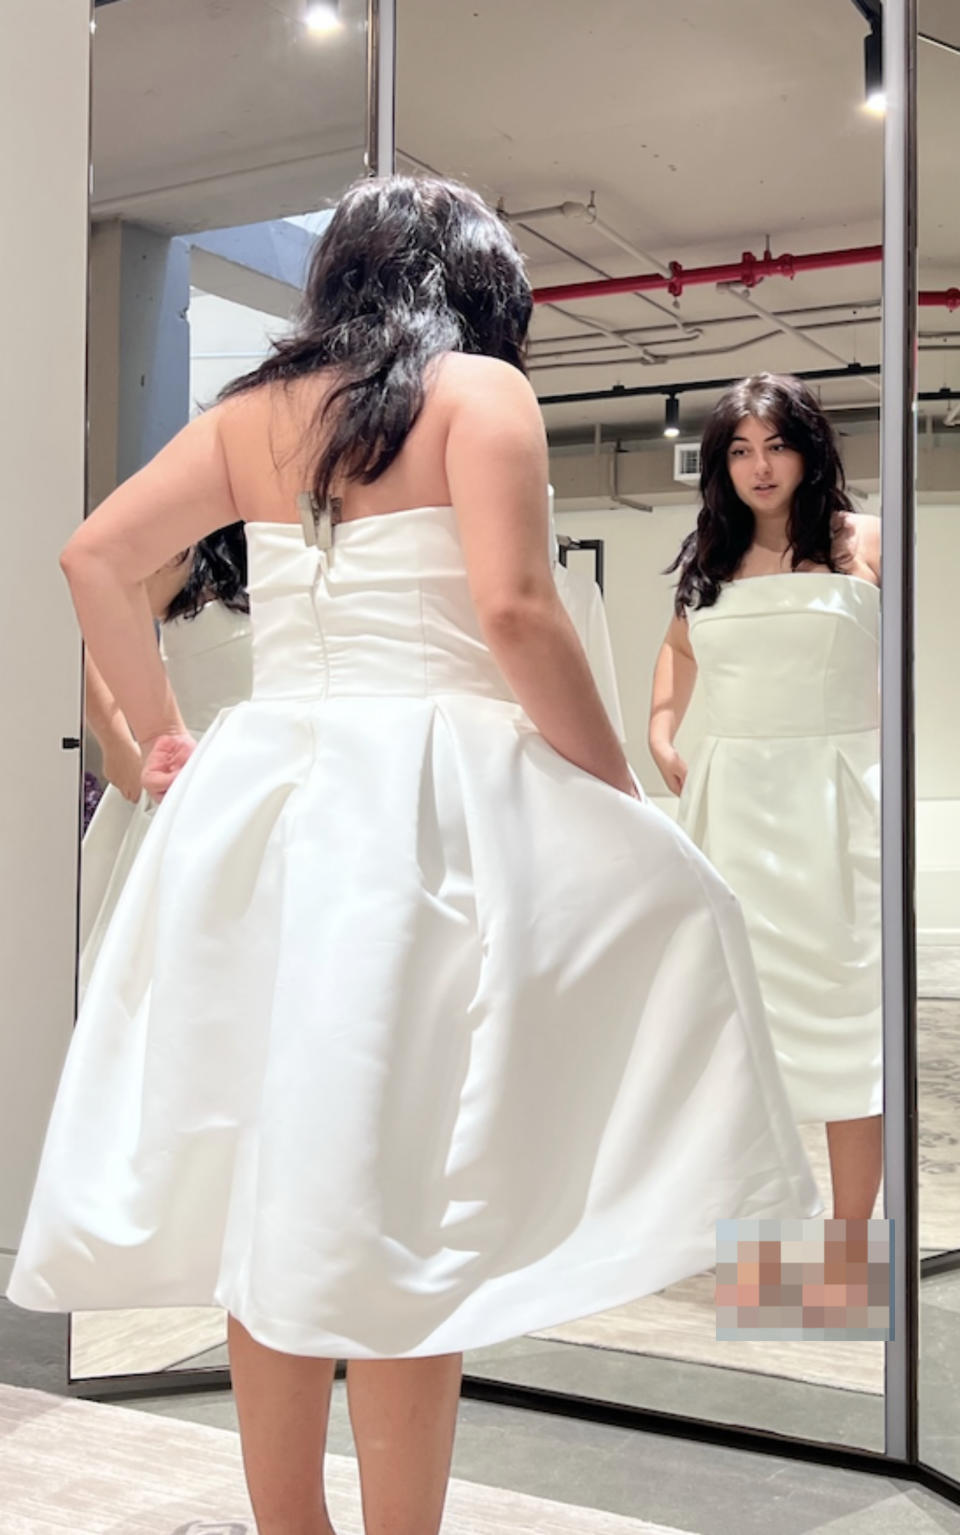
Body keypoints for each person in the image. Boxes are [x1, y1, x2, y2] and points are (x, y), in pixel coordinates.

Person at [8, 180, 818, 1535]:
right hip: (418, 819)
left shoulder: (255, 413)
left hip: (260, 813)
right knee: (398, 1214)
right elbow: (513, 604)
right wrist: (614, 791)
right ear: (482, 276)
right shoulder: (480, 391)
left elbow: (95, 556)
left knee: (278, 1203)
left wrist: (164, 740)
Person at [650, 373, 882, 1224]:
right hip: (736, 810)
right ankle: (774, 1259)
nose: (760, 466)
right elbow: (677, 649)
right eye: (741, 451)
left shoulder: (867, 541)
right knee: (748, 1040)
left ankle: (851, 1257)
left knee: (854, 1032)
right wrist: (661, 728)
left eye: (776, 444)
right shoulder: (710, 561)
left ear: (808, 449)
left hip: (838, 807)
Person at [79, 523, 252, 995]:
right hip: (182, 782)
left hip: (273, 781)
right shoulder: (185, 542)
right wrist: (118, 741)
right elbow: (91, 616)